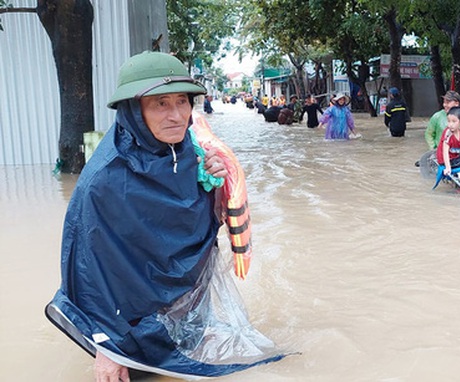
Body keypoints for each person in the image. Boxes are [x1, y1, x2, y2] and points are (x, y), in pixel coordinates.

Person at [45, 51, 283, 381]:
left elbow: (194, 235)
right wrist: (106, 348)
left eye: (182, 101)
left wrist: (213, 186)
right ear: (134, 110)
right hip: (129, 328)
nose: (176, 115)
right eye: (160, 104)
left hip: (187, 311)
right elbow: (88, 272)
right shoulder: (102, 182)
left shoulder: (191, 152)